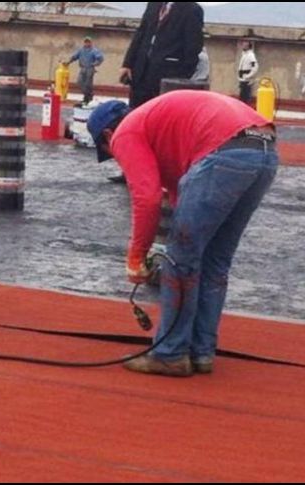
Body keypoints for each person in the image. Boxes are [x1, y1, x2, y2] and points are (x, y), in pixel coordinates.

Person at [87, 91, 278, 377]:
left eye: (110, 150)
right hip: (264, 149)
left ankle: (171, 353)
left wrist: (137, 255)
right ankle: (202, 353)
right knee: (215, 260)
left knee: (180, 260)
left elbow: (147, 197)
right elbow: (180, 194)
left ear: (108, 133)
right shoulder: (160, 123)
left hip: (225, 150)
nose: (117, 157)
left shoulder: (126, 132)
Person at [120, 2, 205, 108]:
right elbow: (141, 33)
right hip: (140, 74)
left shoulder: (191, 9)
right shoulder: (153, 4)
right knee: (136, 113)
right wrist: (128, 63)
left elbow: (193, 45)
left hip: (168, 77)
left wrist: (182, 76)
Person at [66, 36, 104, 105]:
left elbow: (100, 58)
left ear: (91, 43)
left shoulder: (94, 50)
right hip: (82, 68)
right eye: (85, 42)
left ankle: (87, 98)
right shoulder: (81, 50)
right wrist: (68, 62)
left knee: (88, 84)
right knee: (79, 82)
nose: (87, 43)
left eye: (88, 42)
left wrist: (96, 63)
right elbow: (74, 57)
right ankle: (89, 95)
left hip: (90, 68)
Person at [238, 41, 259, 105]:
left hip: (246, 81)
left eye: (245, 45)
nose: (243, 46)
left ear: (248, 47)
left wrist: (248, 76)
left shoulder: (251, 55)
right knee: (242, 98)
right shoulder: (244, 54)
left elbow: (255, 67)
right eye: (243, 45)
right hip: (242, 80)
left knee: (245, 98)